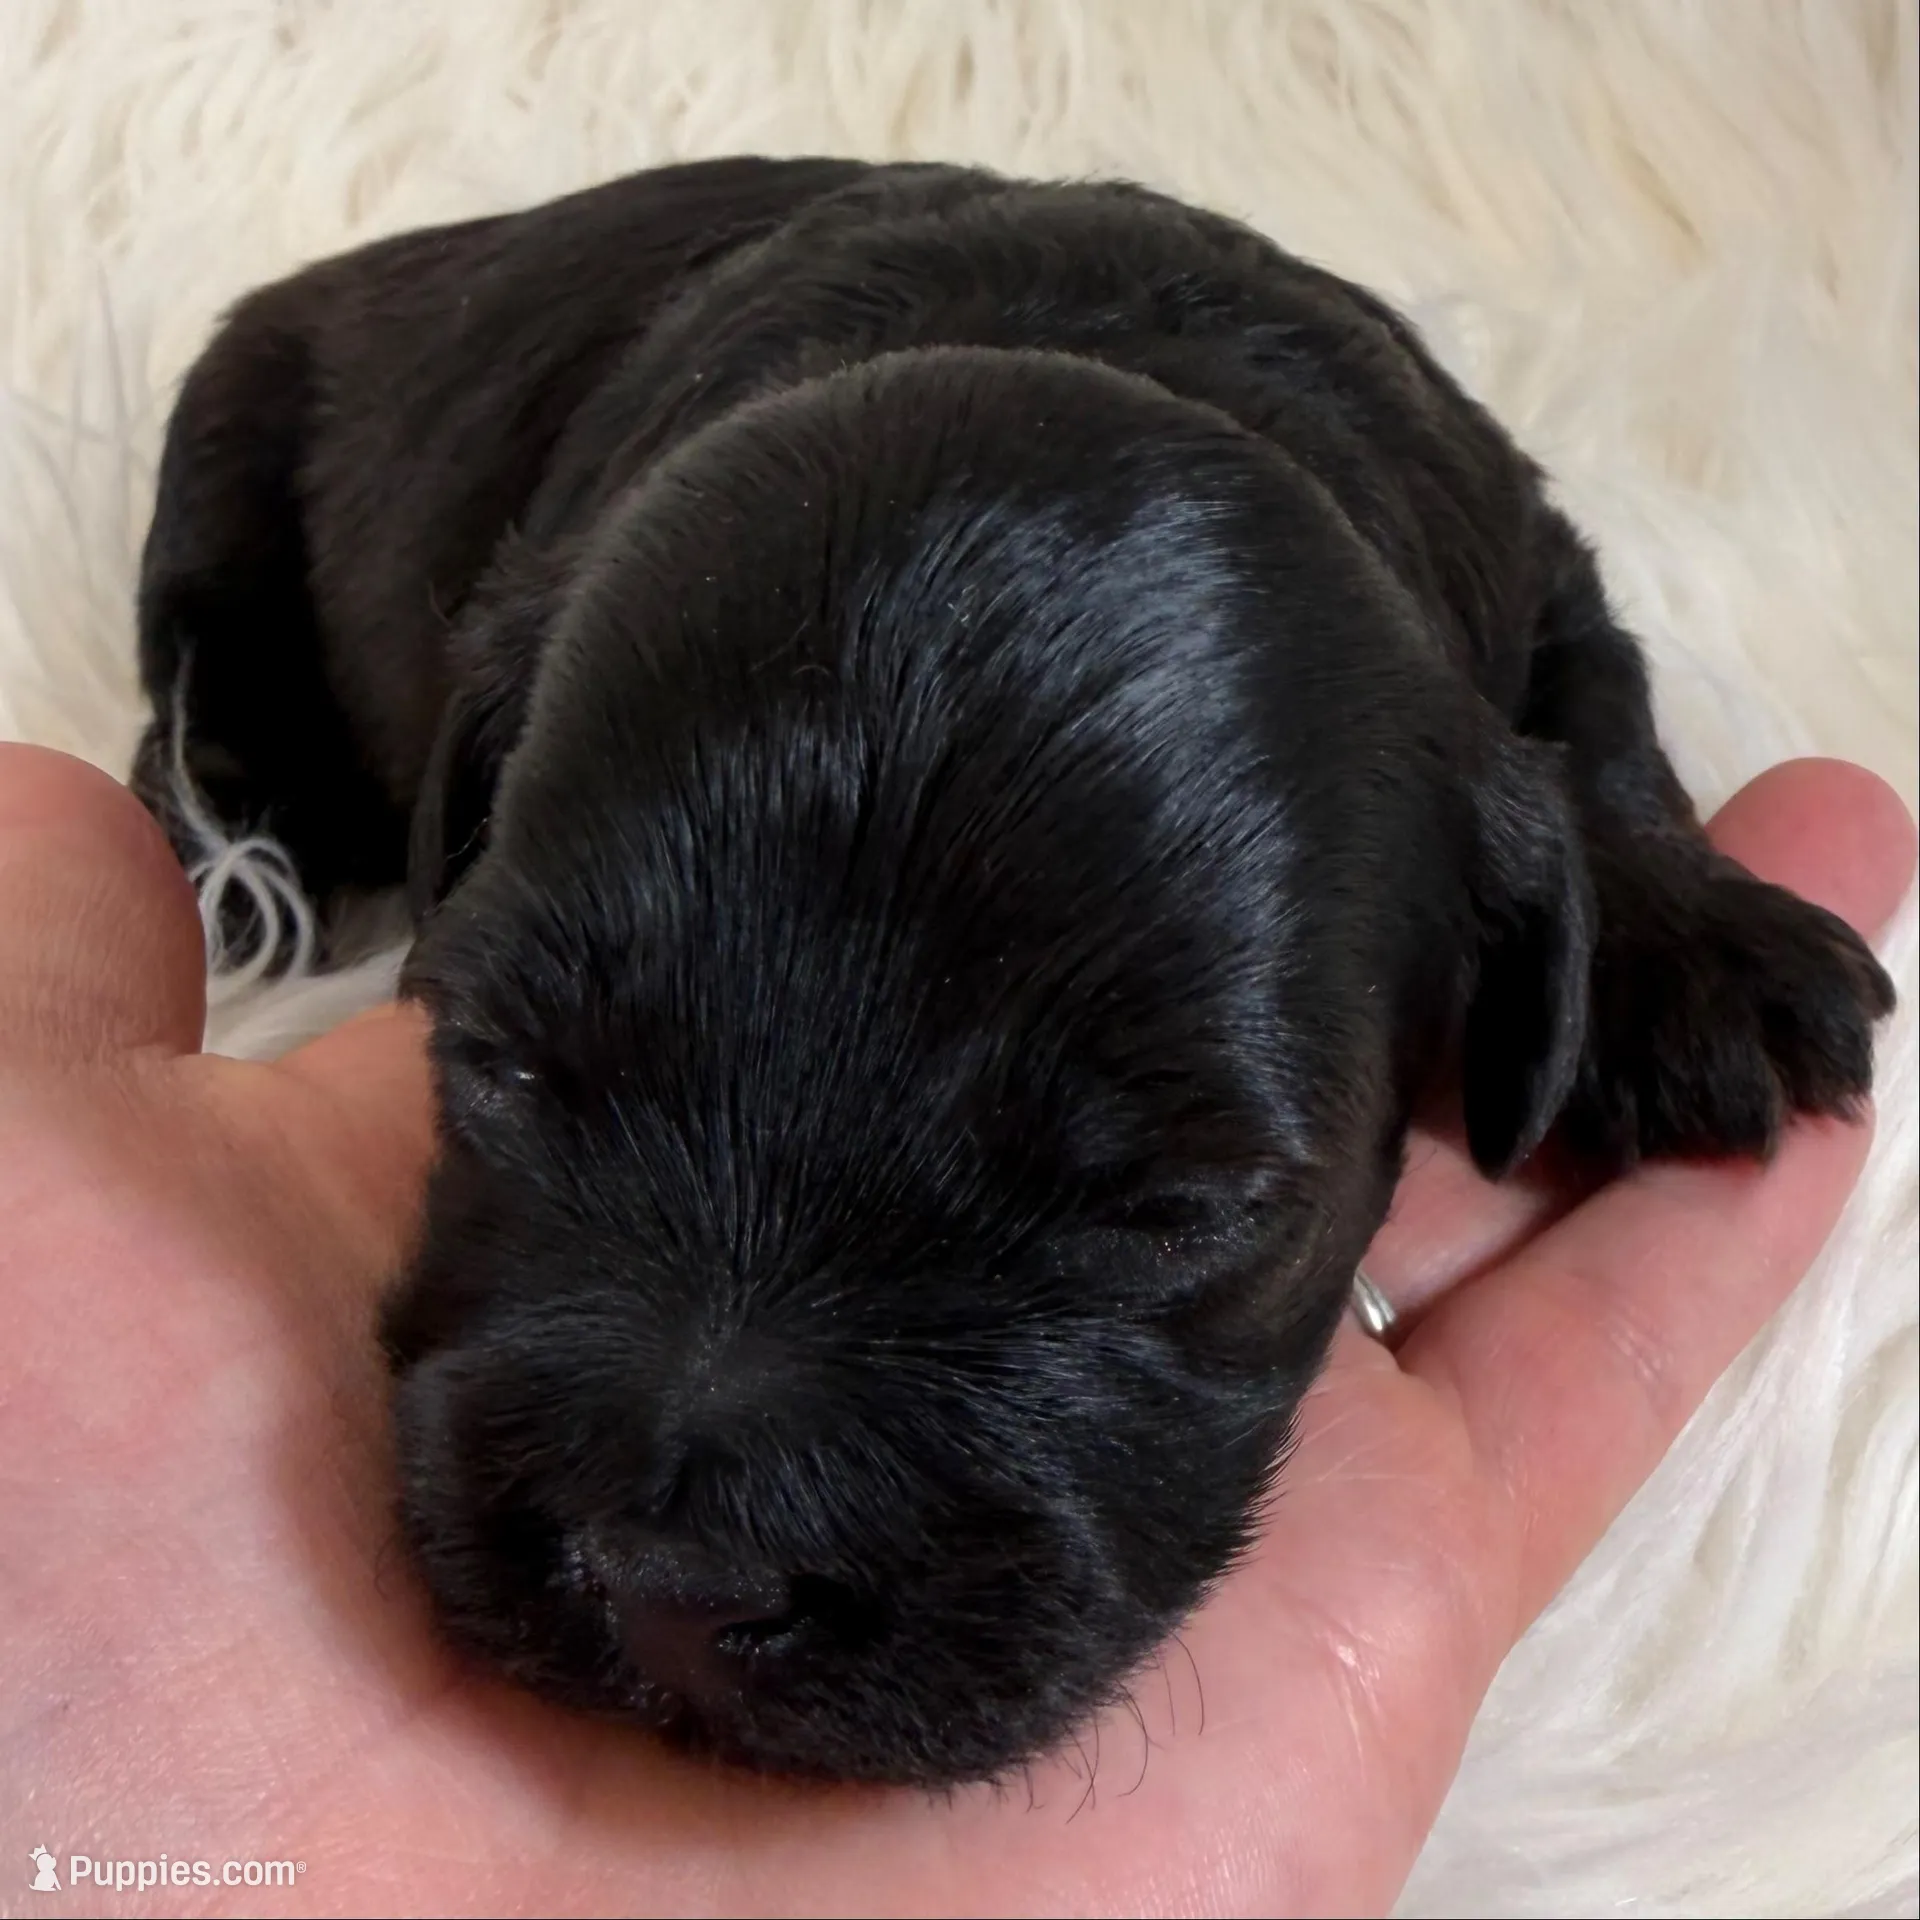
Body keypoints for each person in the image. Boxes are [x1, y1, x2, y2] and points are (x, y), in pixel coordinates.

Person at [0, 742, 1909, 1916]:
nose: (687, 1547)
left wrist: (1619, 878)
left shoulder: (1455, 724)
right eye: (511, 1056)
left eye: (1148, 1198)